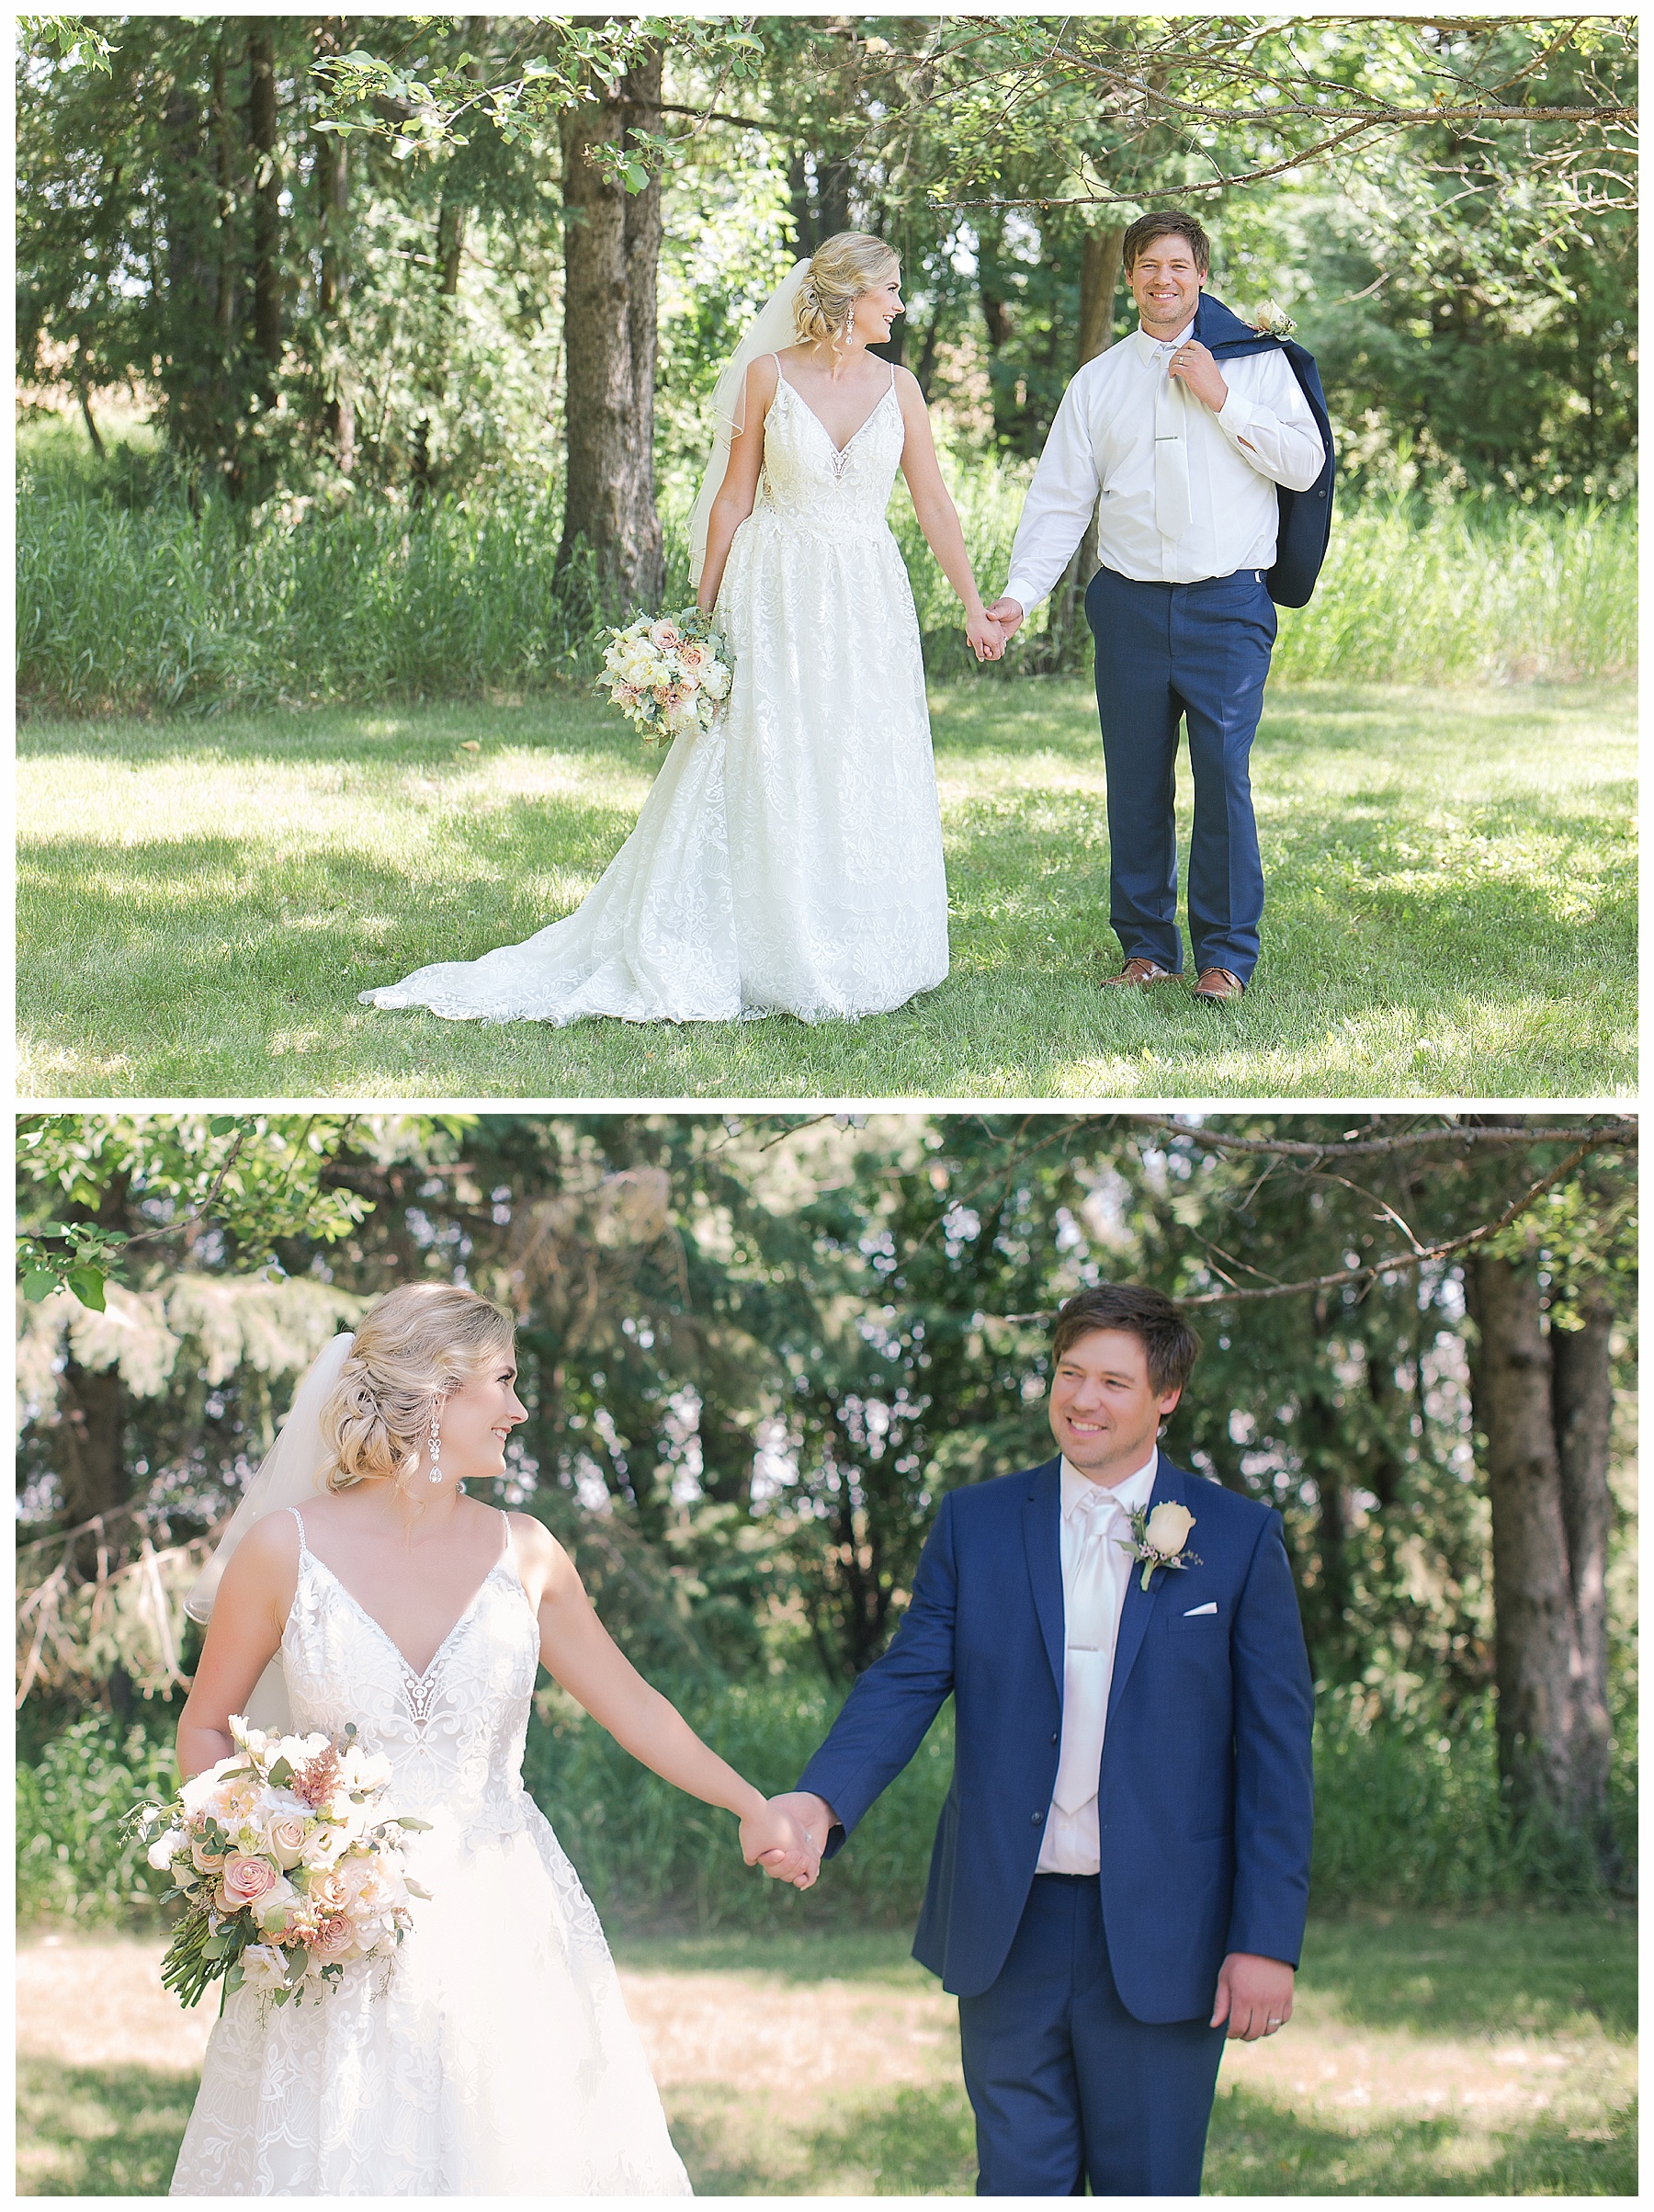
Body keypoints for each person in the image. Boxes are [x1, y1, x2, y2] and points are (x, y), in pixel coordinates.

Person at [167, 1283, 814, 2195]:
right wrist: (265, 1852)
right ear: (437, 1391)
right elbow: (205, 1722)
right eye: (503, 1382)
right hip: (335, 1934)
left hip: (505, 1918)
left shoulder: (530, 1551)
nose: (519, 1408)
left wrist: (752, 1802)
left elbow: (634, 1706)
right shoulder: (285, 1550)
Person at [359, 232, 1003, 1027]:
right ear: (848, 296)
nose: (900, 305)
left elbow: (933, 501)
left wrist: (972, 603)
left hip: (865, 590)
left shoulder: (901, 387)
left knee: (857, 747)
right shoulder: (767, 378)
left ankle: (860, 940)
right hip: (772, 587)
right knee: (764, 750)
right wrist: (701, 621)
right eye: (891, 290)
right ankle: (760, 940)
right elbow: (733, 498)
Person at [764, 1282, 1315, 2195]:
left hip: (1165, 1931)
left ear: (1166, 1397)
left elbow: (1275, 1756)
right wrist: (821, 1800)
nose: (1083, 1400)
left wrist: (1267, 1939)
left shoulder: (1238, 1537)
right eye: (1069, 1373)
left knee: (1149, 2183)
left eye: (1113, 1381)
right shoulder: (974, 1523)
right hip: (1005, 1923)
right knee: (1017, 2182)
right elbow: (905, 1680)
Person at [987, 210, 1328, 1003]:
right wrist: (1018, 595)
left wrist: (1223, 399)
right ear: (1131, 278)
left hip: (1230, 608)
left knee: (1223, 777)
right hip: (1130, 607)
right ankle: (1147, 949)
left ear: (1201, 275)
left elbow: (1306, 465)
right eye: (1148, 266)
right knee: (1135, 783)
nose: (1162, 279)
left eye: (1178, 265)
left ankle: (1225, 958)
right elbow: (1059, 504)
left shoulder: (1257, 365)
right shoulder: (1097, 381)